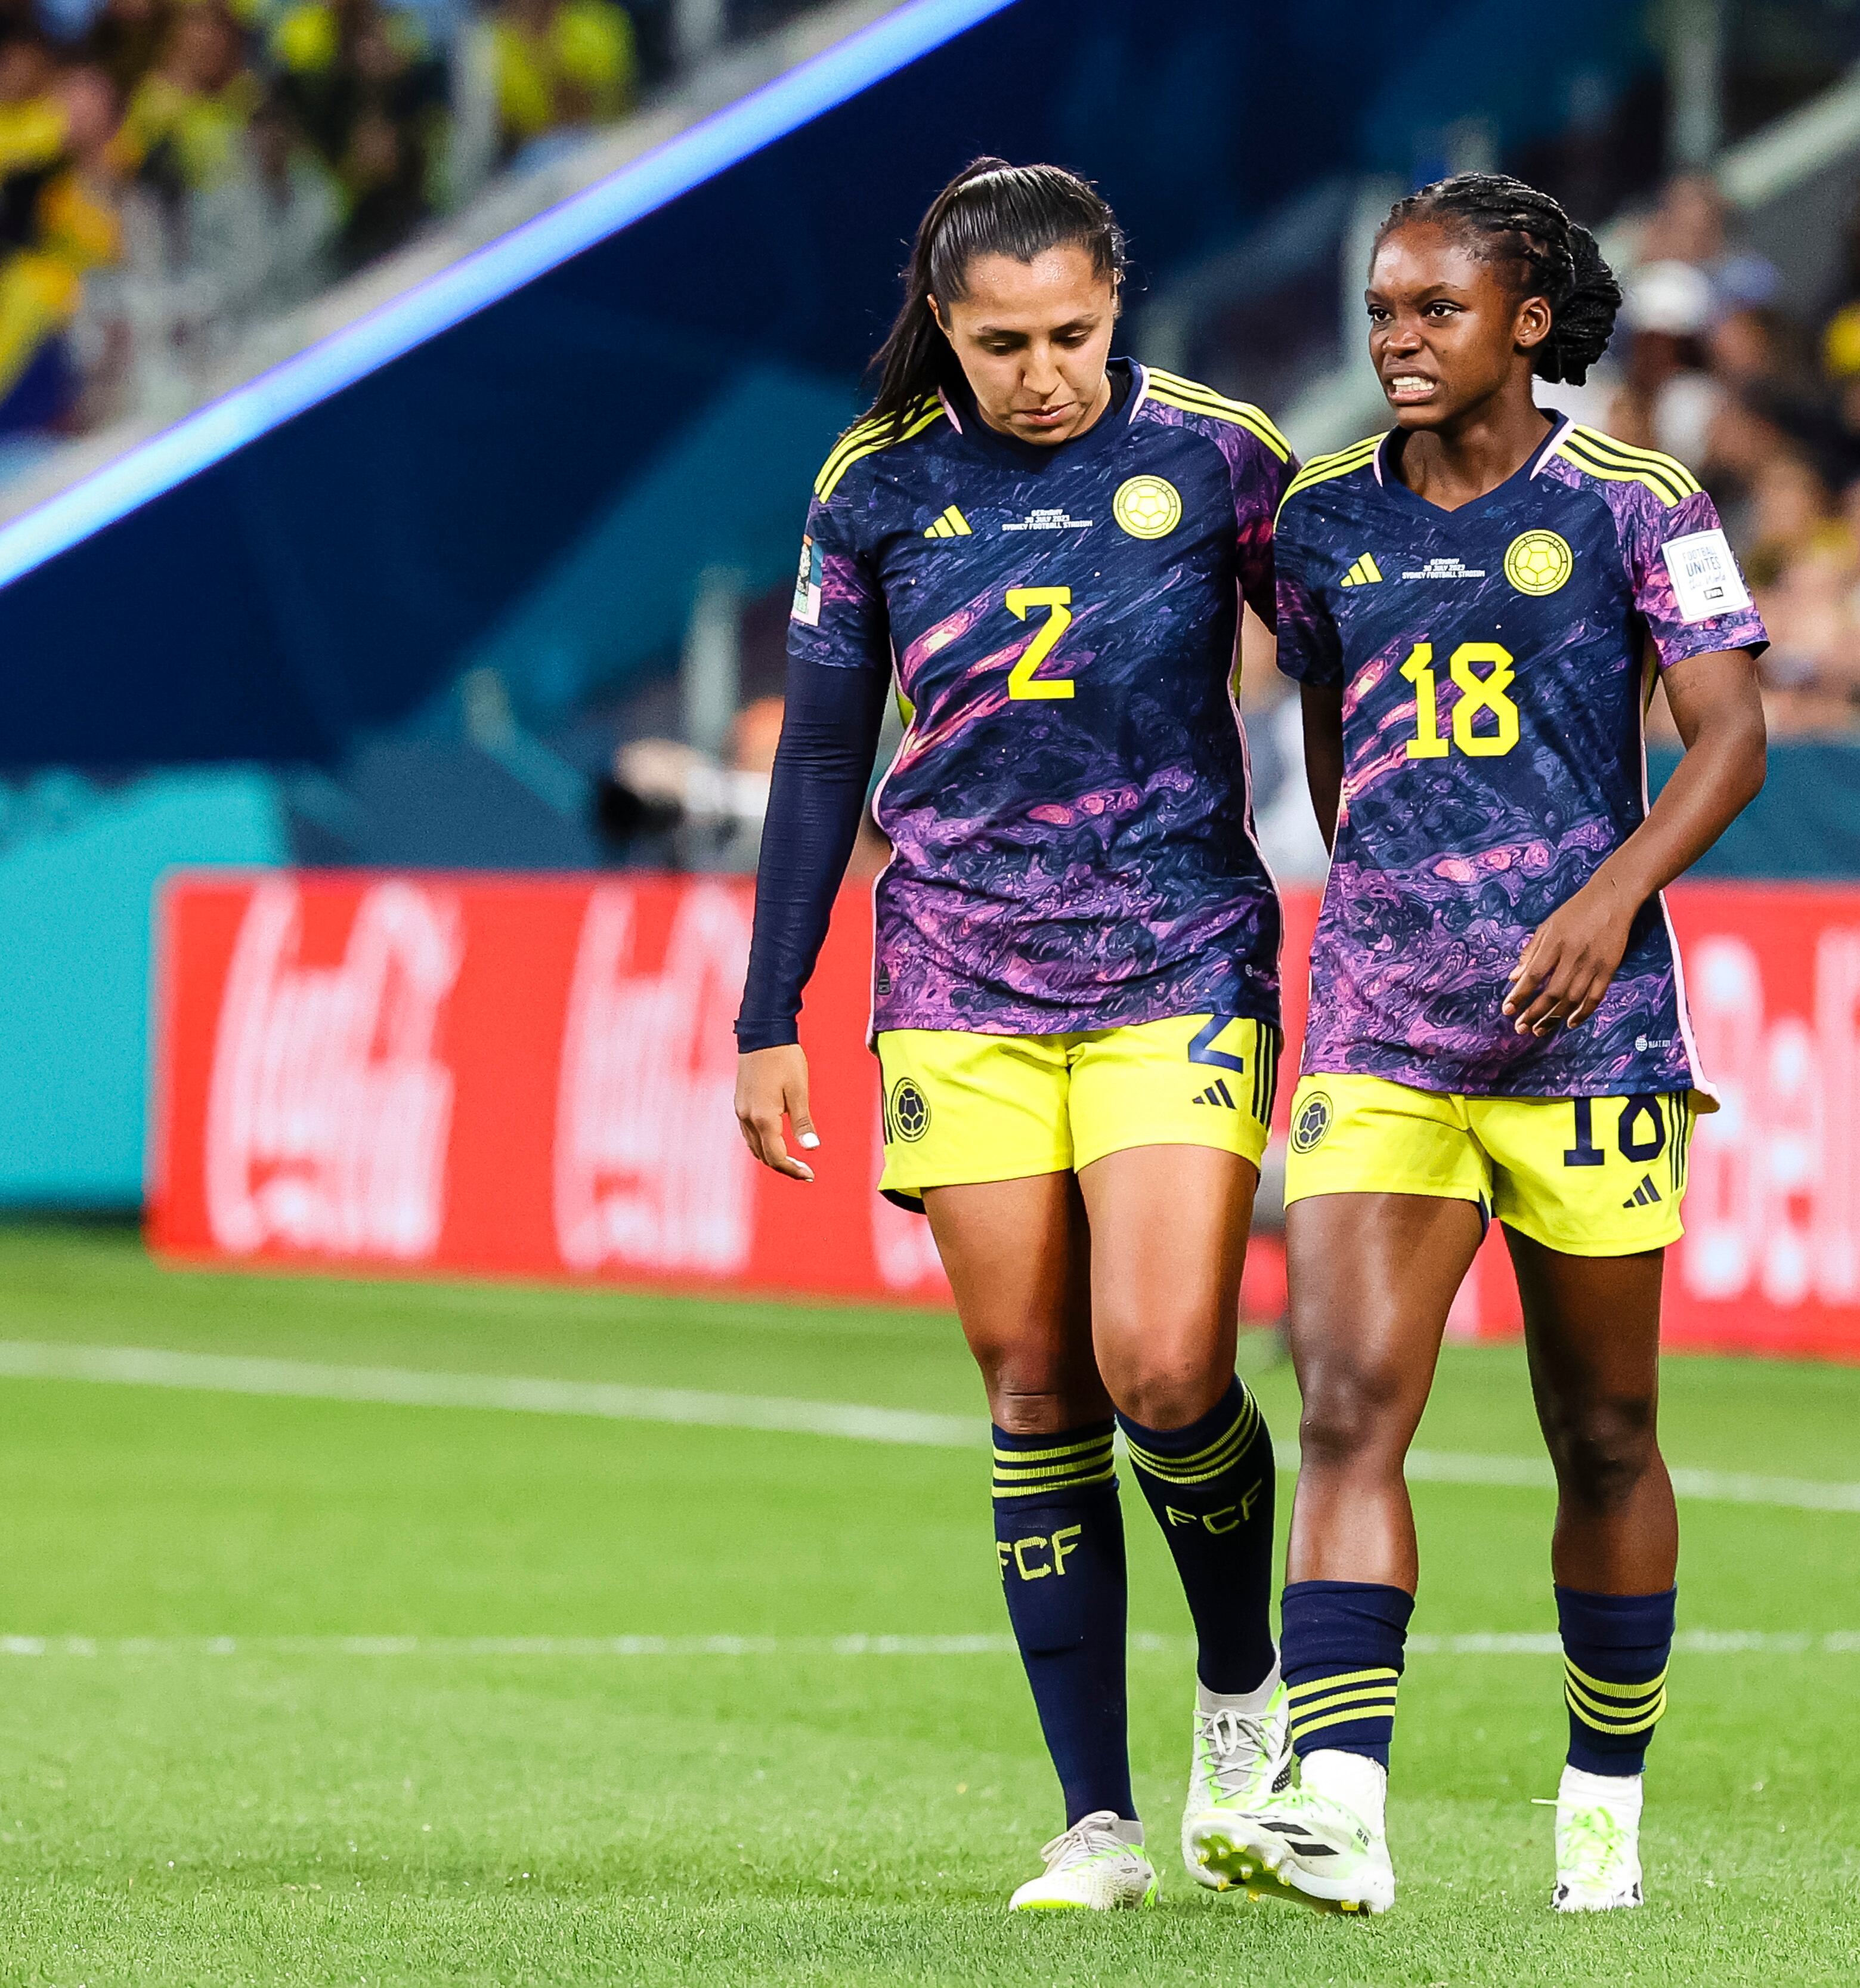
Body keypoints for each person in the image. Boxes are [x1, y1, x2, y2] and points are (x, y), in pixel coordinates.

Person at [1190, 172, 1769, 1917]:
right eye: (1381, 311)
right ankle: (1343, 1810)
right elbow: (1332, 742)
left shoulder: (1632, 502)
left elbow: (1733, 737)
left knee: (1602, 1435)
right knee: (1350, 1403)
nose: (1398, 341)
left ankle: (1602, 1806)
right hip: (1383, 1030)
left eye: (1437, 310)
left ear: (1528, 323)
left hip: (1592, 1043)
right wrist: (1389, 906)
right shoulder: (1324, 520)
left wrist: (1608, 897)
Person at [729, 159, 1296, 1914]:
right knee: (1035, 1387)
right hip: (959, 977)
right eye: (1001, 343)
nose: (1040, 371)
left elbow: (1351, 673)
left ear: (1117, 304)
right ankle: (1095, 1825)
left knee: (1164, 1364)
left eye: (1069, 334)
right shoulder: (876, 481)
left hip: (1178, 959)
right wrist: (772, 1013)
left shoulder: (1221, 454)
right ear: (945, 326)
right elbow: (825, 760)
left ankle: (1241, 1688)